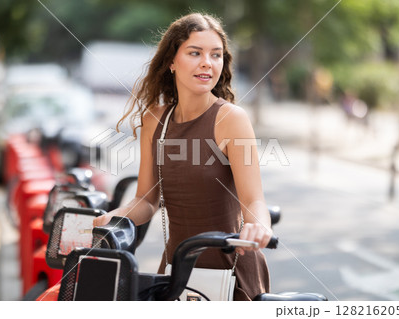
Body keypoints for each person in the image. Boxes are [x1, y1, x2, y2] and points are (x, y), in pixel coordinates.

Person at [93, 12, 273, 301]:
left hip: (232, 274)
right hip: (176, 272)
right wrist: (113, 217)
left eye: (216, 55)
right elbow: (146, 200)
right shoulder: (155, 119)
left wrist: (259, 226)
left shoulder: (231, 119)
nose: (207, 62)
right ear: (172, 62)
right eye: (195, 53)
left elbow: (254, 200)